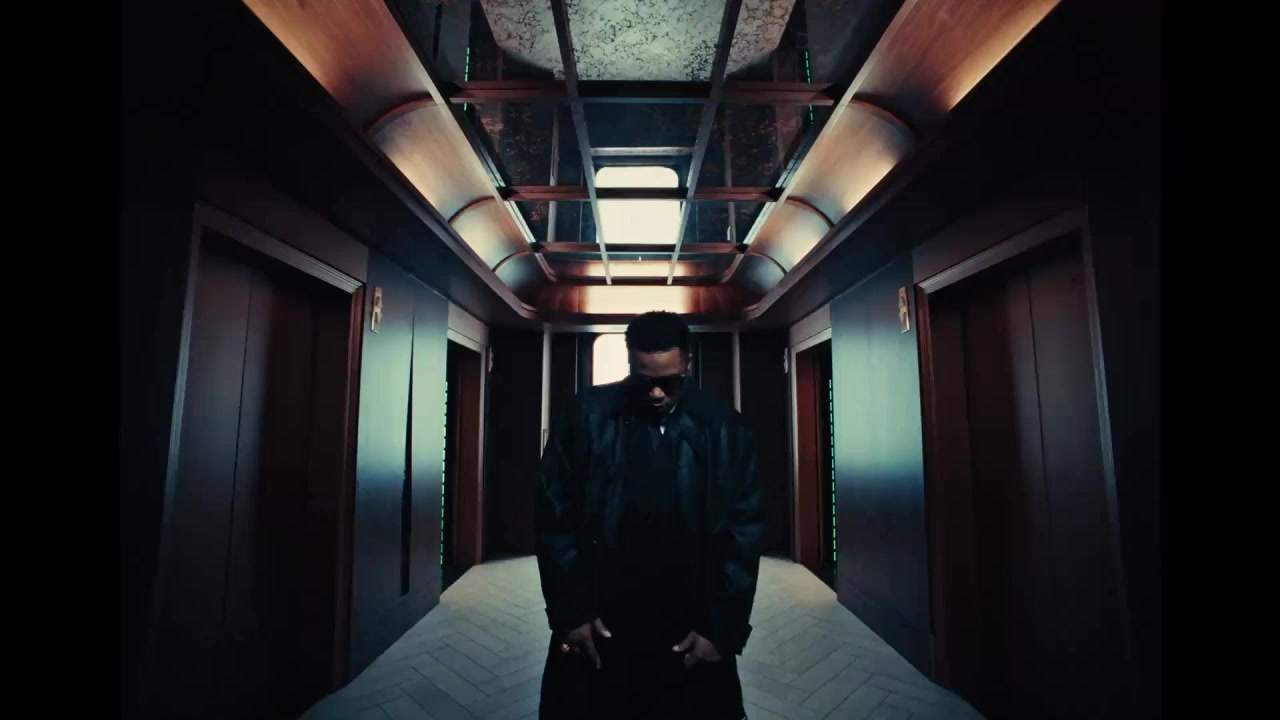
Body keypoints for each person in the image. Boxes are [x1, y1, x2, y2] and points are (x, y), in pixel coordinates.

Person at [535, 311, 764, 720]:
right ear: (629, 363)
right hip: (604, 609)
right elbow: (554, 516)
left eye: (669, 382)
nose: (657, 394)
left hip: (690, 611)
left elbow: (743, 533)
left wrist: (720, 628)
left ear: (688, 364)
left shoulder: (723, 427)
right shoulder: (587, 416)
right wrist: (573, 611)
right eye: (645, 381)